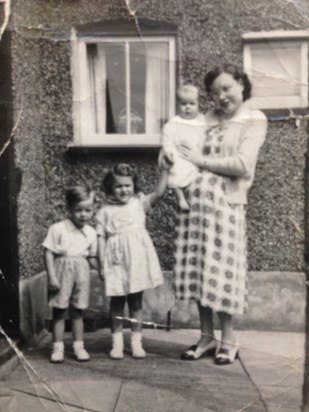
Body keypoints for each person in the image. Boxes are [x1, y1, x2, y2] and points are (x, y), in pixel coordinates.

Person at [174, 64, 267, 364]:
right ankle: (206, 337)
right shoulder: (208, 118)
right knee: (200, 270)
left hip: (226, 205)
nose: (221, 97)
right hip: (196, 205)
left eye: (226, 88)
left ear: (241, 83)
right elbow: (186, 151)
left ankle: (229, 339)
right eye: (214, 93)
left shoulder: (254, 119)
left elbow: (242, 164)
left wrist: (201, 160)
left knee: (223, 271)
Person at [96, 162, 170, 360]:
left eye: (127, 185)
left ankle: (136, 343)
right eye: (118, 186)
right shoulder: (105, 211)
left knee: (136, 302)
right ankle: (117, 344)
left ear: (134, 185)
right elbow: (101, 238)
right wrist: (102, 263)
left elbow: (159, 192)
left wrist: (165, 170)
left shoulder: (139, 202)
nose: (123, 190)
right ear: (110, 187)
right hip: (116, 260)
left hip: (136, 259)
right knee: (117, 303)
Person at [43, 186, 98, 363]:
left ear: (93, 210)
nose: (83, 214)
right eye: (78, 210)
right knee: (59, 312)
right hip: (61, 271)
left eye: (87, 210)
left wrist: (103, 270)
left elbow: (91, 257)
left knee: (78, 312)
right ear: (69, 208)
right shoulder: (57, 229)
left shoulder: (91, 233)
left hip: (81, 273)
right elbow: (48, 253)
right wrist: (52, 277)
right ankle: (58, 348)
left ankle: (78, 347)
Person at [161, 84, 206, 211]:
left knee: (199, 174)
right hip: (180, 154)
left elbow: (207, 136)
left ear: (198, 104)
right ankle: (180, 197)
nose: (187, 107)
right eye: (183, 104)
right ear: (177, 105)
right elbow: (167, 138)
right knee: (175, 171)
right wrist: (168, 151)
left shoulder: (202, 121)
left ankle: (194, 196)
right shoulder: (173, 123)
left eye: (192, 104)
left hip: (196, 153)